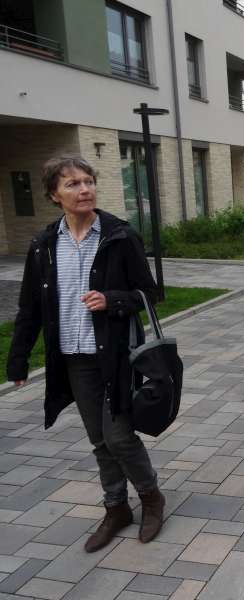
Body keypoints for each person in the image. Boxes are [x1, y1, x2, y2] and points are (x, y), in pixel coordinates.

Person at [6, 156, 165, 553]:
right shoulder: (44, 245)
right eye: (73, 184)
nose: (84, 190)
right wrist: (19, 359)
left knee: (120, 437)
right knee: (99, 440)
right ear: (53, 195)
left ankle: (150, 497)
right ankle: (116, 507)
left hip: (114, 354)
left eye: (88, 181)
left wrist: (111, 300)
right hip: (73, 356)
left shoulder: (119, 236)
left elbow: (149, 294)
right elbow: (29, 308)